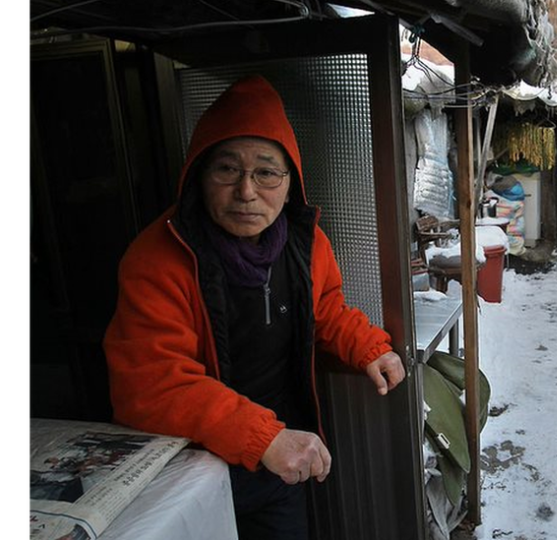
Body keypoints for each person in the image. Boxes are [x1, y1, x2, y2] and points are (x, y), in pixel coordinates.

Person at [103, 75, 405, 539]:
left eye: (266, 172)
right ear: (199, 176)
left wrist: (369, 347)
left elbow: (324, 307)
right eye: (227, 169)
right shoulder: (158, 257)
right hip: (198, 470)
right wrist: (261, 437)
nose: (246, 191)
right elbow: (151, 382)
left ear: (290, 183)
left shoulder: (307, 243)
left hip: (279, 459)